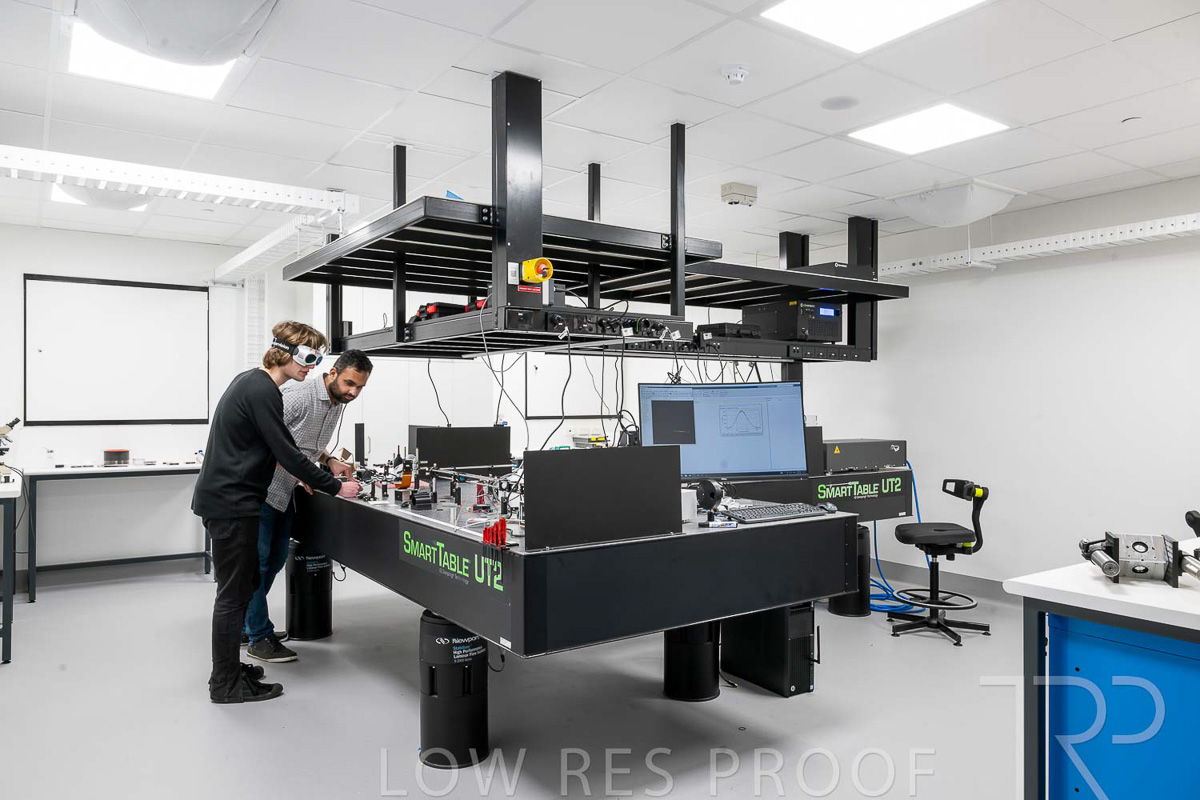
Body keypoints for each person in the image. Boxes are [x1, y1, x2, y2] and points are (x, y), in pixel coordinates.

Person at [193, 321, 361, 704]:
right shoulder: (262, 390)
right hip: (232, 503)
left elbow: (283, 447)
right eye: (309, 357)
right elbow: (287, 452)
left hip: (235, 501)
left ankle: (231, 671)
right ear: (285, 352)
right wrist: (335, 486)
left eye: (317, 359)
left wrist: (325, 464)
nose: (312, 367)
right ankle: (225, 684)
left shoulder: (254, 384)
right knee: (233, 596)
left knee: (243, 587)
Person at [244, 349, 374, 664]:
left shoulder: (335, 402)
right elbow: (263, 440)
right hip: (261, 491)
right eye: (349, 384)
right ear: (333, 372)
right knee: (256, 566)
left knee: (275, 560)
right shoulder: (298, 396)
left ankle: (247, 625)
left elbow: (305, 443)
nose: (353, 392)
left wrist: (328, 460)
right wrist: (315, 476)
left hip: (285, 493)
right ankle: (258, 637)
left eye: (360, 387)